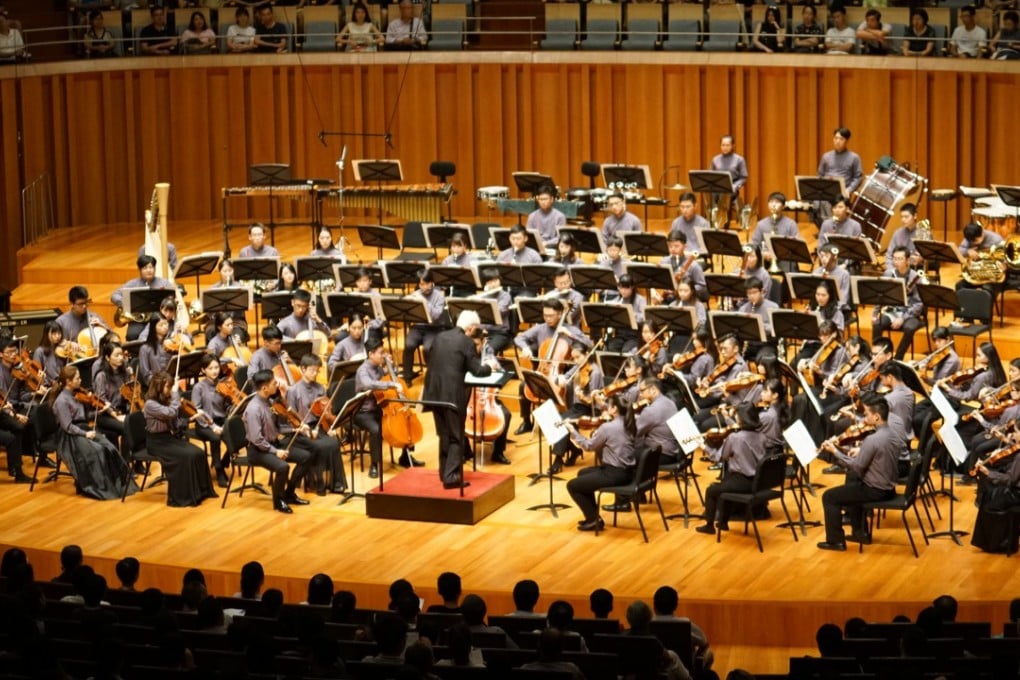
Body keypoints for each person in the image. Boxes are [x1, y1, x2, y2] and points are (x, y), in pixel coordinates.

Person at [422, 311, 498, 488]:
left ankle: (444, 473)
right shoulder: (466, 342)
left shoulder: (440, 336)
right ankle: (451, 478)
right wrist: (489, 366)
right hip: (452, 394)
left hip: (433, 392)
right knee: (456, 436)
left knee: (443, 434)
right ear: (470, 328)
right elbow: (477, 371)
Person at [817, 394, 900, 551]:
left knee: (829, 496)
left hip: (876, 490)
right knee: (853, 482)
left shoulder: (872, 439)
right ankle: (860, 532)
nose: (864, 417)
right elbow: (877, 455)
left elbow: (856, 466)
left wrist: (835, 451)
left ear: (876, 417)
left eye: (867, 414)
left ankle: (835, 541)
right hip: (889, 487)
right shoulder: (892, 433)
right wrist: (859, 450)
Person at [48, 365, 135, 500]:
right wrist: (85, 434)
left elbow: (84, 416)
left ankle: (117, 483)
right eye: (77, 378)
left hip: (82, 428)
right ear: (68, 382)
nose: (81, 380)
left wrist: (99, 411)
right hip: (70, 436)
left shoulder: (77, 394)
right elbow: (68, 426)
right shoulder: (61, 401)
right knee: (98, 451)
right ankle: (98, 487)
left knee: (109, 447)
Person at [513, 299, 589, 435]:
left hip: (565, 372)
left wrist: (569, 335)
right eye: (545, 315)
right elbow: (519, 338)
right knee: (523, 385)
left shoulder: (570, 329)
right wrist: (526, 348)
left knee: (569, 387)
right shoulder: (541, 328)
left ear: (560, 314)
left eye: (551, 316)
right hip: (544, 369)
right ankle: (526, 422)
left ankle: (566, 424)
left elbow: (589, 344)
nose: (547, 319)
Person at [242, 369, 314, 513]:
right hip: (258, 451)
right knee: (282, 467)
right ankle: (279, 500)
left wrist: (295, 430)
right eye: (274, 383)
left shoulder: (269, 402)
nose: (278, 385)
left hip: (273, 444)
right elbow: (257, 439)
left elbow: (276, 429)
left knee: (306, 457)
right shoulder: (254, 409)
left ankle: (289, 493)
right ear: (264, 388)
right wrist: (276, 452)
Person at [142, 372, 218, 507]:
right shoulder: (150, 404)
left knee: (198, 452)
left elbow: (176, 423)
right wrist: (176, 394)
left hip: (168, 439)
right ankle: (185, 497)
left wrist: (191, 418)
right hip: (156, 443)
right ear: (158, 387)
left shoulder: (165, 401)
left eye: (171, 387)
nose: (170, 390)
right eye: (168, 387)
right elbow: (170, 413)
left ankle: (202, 492)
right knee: (186, 456)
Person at [564, 394, 637, 532]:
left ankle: (593, 520)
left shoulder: (608, 427)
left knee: (573, 486)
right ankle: (593, 516)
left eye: (608, 406)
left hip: (614, 474)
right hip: (627, 472)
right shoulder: (630, 422)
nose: (605, 408)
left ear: (614, 409)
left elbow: (588, 446)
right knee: (582, 473)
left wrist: (572, 431)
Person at [696, 403, 767, 535]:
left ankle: (709, 526)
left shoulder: (735, 438)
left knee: (712, 490)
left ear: (741, 419)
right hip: (759, 481)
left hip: (743, 482)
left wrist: (704, 446)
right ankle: (723, 523)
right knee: (727, 481)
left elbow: (719, 457)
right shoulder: (762, 436)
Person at [283, 354, 347, 494]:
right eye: (312, 370)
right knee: (318, 445)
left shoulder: (320, 388)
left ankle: (335, 482)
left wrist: (330, 428)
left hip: (319, 426)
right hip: (301, 429)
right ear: (303, 369)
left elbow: (324, 413)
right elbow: (290, 418)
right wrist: (304, 429)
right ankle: (318, 482)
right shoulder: (293, 391)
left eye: (317, 370)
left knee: (334, 441)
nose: (315, 373)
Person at [354, 339, 402, 479]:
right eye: (381, 353)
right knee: (376, 430)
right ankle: (374, 464)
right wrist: (391, 384)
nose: (384, 355)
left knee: (400, 420)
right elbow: (370, 384)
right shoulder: (362, 371)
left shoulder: (379, 367)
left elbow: (390, 375)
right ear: (371, 354)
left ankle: (405, 455)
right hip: (363, 412)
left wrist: (392, 365)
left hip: (379, 408)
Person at [871, 246, 925, 360]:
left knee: (909, 328)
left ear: (907, 260)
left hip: (910, 313)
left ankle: (898, 358)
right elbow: (880, 295)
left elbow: (919, 304)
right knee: (877, 324)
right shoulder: (888, 274)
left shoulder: (915, 277)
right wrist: (875, 314)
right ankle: (880, 356)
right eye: (894, 259)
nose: (896, 262)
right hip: (893, 311)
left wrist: (903, 318)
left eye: (900, 259)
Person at [111, 254, 175, 341]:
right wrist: (126, 303)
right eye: (145, 268)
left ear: (155, 269)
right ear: (140, 270)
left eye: (151, 267)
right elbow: (114, 295)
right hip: (138, 319)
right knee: (132, 335)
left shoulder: (164, 283)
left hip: (158, 318)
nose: (149, 270)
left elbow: (171, 298)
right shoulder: (132, 284)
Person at [401, 269, 447, 383]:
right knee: (409, 344)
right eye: (421, 284)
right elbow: (408, 313)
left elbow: (436, 315)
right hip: (418, 327)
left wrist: (424, 302)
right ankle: (407, 375)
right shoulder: (415, 295)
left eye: (427, 283)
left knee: (427, 348)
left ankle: (431, 375)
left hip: (433, 328)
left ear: (432, 282)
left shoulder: (439, 297)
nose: (424, 287)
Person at [191, 355, 229, 488]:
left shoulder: (223, 385)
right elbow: (196, 411)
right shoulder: (198, 387)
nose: (214, 371)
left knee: (239, 435)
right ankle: (219, 470)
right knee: (215, 439)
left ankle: (224, 462)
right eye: (210, 368)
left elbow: (226, 407)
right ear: (203, 370)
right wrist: (212, 426)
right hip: (204, 424)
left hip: (221, 420)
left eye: (216, 367)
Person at [817, 127, 863, 222]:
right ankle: (824, 228)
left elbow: (858, 177)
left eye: (841, 139)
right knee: (816, 204)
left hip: (842, 193)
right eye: (835, 138)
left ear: (847, 141)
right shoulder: (826, 156)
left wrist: (849, 190)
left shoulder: (854, 157)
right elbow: (820, 175)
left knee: (838, 211)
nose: (837, 141)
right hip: (826, 192)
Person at [56, 286, 112, 355]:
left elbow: (113, 336)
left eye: (86, 302)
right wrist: (68, 343)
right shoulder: (61, 321)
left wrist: (102, 326)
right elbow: (55, 343)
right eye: (80, 304)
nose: (84, 306)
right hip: (73, 357)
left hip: (95, 355)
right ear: (72, 304)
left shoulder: (94, 316)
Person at [749, 191, 798, 270]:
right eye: (771, 202)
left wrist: (780, 254)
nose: (773, 205)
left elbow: (796, 246)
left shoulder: (791, 224)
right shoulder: (761, 224)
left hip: (784, 258)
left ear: (783, 206)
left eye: (777, 202)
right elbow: (754, 245)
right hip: (765, 258)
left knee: (790, 266)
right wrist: (763, 254)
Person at [956, 221, 1005, 299]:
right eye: (972, 241)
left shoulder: (996, 240)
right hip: (976, 274)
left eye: (976, 240)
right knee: (960, 286)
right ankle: (965, 309)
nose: (974, 243)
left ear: (982, 231)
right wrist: (967, 251)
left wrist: (1004, 265)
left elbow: (1005, 256)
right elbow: (960, 250)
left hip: (992, 277)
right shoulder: (970, 237)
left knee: (986, 290)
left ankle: (981, 310)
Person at [709, 137, 748, 201]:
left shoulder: (739, 159)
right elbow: (710, 175)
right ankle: (713, 210)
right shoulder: (715, 159)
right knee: (711, 195)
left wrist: (735, 186)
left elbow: (743, 177)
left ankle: (723, 210)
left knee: (724, 196)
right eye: (723, 145)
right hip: (717, 187)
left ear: (733, 146)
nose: (725, 148)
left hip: (731, 187)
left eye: (727, 145)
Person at [138, 317, 173, 386]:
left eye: (166, 324)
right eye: (161, 325)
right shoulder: (145, 348)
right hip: (155, 387)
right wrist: (160, 384)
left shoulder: (171, 344)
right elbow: (146, 375)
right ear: (154, 327)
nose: (165, 327)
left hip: (171, 383)